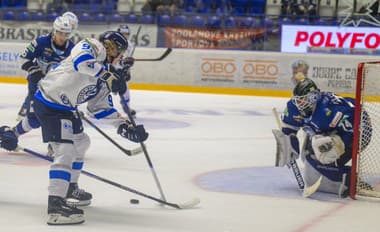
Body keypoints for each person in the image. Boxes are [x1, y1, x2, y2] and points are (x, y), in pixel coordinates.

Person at [1, 32, 149, 225]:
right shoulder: (91, 46)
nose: (120, 57)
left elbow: (100, 108)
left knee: (81, 143)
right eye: (120, 53)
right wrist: (107, 74)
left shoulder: (105, 74)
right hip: (48, 102)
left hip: (65, 108)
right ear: (112, 47)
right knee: (65, 150)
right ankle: (55, 205)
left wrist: (125, 127)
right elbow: (81, 63)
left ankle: (70, 188)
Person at [273, 78, 372, 198]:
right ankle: (339, 177)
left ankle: (350, 179)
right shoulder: (294, 107)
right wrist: (289, 144)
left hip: (358, 130)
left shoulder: (329, 111)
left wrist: (339, 144)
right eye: (297, 100)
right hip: (328, 131)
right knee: (309, 159)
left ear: (312, 98)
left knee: (322, 152)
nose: (299, 104)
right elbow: (289, 128)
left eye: (302, 100)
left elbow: (357, 127)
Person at [15, 16, 75, 134]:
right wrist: (33, 69)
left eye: (66, 34)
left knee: (61, 118)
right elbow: (23, 58)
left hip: (57, 88)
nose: (63, 37)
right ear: (54, 31)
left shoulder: (72, 49)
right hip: (36, 84)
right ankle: (13, 132)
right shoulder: (41, 42)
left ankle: (55, 144)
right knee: (34, 118)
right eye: (60, 33)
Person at [87, 25, 136, 119]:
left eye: (127, 34)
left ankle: (126, 107)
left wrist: (127, 67)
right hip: (109, 68)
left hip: (117, 69)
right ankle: (94, 107)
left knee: (124, 89)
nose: (125, 36)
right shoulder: (108, 45)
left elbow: (123, 59)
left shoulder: (128, 45)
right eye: (123, 34)